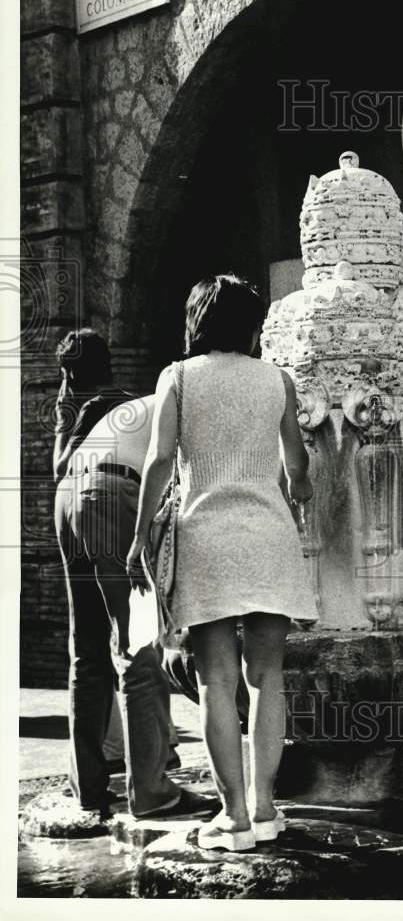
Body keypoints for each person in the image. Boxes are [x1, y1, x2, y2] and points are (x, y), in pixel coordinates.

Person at [126, 275, 318, 852]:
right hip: (268, 537)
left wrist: (140, 536)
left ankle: (232, 817)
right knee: (268, 679)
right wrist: (298, 488)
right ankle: (265, 809)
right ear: (249, 323)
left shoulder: (178, 377)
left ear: (198, 318)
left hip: (206, 537)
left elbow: (161, 461)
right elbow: (297, 468)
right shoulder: (277, 379)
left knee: (216, 682)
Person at [53, 329, 203, 817]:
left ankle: (89, 790)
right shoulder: (174, 401)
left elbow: (62, 464)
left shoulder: (120, 406)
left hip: (69, 496)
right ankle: (153, 792)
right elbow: (174, 482)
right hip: (111, 493)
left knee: (88, 650)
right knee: (138, 645)